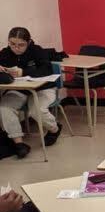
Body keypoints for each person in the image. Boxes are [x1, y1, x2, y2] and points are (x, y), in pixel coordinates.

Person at [0, 27, 61, 159]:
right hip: (19, 90)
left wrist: (24, 72)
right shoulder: (5, 53)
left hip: (42, 88)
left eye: (21, 45)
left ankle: (54, 129)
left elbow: (47, 70)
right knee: (4, 108)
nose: (16, 48)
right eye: (12, 44)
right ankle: (19, 144)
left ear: (28, 42)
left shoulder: (37, 51)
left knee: (36, 110)